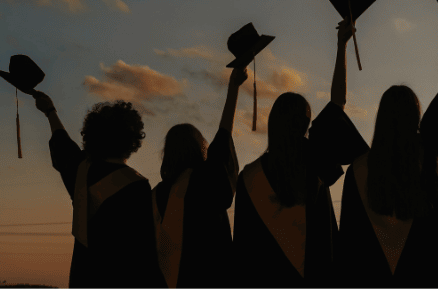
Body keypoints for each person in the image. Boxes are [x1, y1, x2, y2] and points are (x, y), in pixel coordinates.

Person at [336, 12, 438, 287]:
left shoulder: (358, 170)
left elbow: (350, 245)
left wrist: (341, 46)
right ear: (416, 119)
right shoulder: (427, 158)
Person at [233, 20, 367, 287]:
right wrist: (341, 45)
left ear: (273, 124)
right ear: (306, 125)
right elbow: (337, 104)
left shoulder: (248, 178)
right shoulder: (315, 157)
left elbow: (242, 252)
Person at [32, 91, 164, 288]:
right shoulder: (137, 187)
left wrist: (50, 110)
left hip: (83, 278)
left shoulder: (81, 171)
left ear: (91, 136)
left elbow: (63, 145)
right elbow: (145, 253)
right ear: (132, 138)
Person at [151, 67, 247, 288]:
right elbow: (223, 139)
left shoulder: (155, 195)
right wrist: (233, 89)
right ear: (199, 148)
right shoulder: (206, 180)